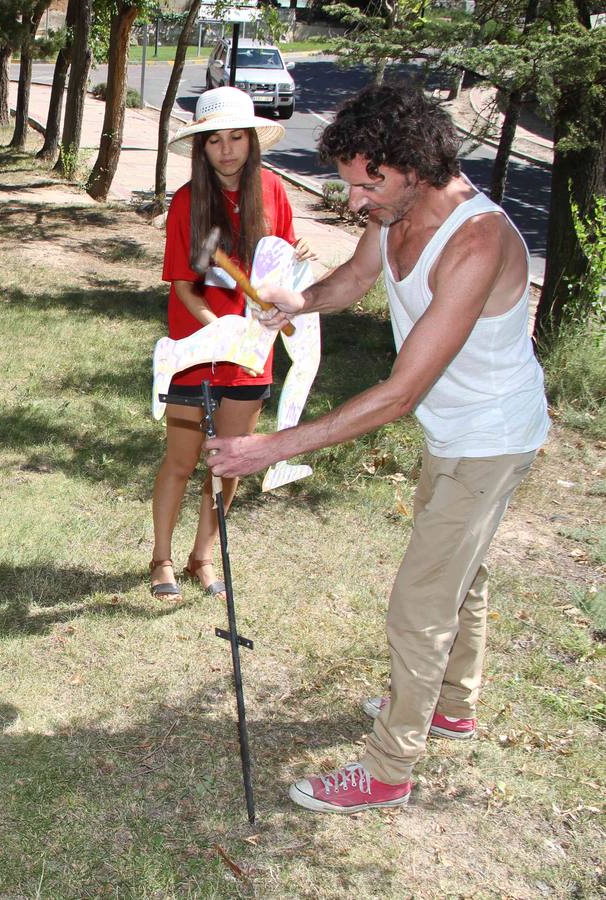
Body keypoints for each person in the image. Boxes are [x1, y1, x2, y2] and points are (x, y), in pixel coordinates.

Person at [206, 84, 550, 814]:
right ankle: (451, 706)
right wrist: (299, 301)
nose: (357, 201)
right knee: (458, 571)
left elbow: (399, 393)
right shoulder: (393, 214)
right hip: (452, 429)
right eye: (352, 185)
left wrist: (273, 446)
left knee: (421, 602)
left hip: (491, 436)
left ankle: (390, 770)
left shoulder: (476, 241)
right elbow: (358, 278)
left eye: (371, 184)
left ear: (416, 166)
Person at [150, 87, 312, 601]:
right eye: (214, 140)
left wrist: (297, 261)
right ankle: (161, 559)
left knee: (229, 462)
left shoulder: (274, 192)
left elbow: (279, 272)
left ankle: (202, 556)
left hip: (250, 356)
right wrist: (216, 335)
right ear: (201, 147)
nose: (226, 149)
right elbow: (185, 286)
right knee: (181, 461)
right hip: (195, 352)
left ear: (251, 141)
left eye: (237, 138)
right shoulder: (187, 201)